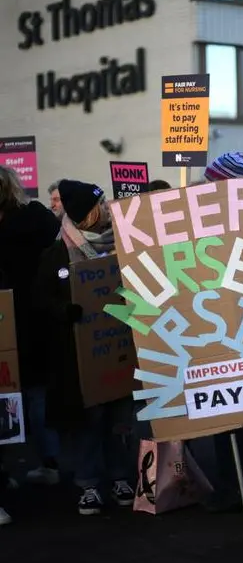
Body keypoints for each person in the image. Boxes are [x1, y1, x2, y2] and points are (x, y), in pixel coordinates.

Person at [35, 180, 135, 516]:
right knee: (90, 421)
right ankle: (89, 483)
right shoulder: (57, 252)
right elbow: (41, 298)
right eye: (101, 203)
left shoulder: (124, 239)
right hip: (81, 355)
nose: (108, 207)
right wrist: (64, 311)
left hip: (119, 346)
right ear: (84, 214)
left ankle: (122, 477)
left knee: (120, 418)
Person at [0, 166, 60, 524]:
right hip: (39, 320)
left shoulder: (8, 230)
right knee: (37, 395)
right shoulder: (38, 218)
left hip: (11, 321)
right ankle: (50, 461)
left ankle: (7, 472)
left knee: (9, 398)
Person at [199, 151, 243, 513]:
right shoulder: (202, 218)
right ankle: (229, 483)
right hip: (213, 323)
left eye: (211, 184)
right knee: (221, 411)